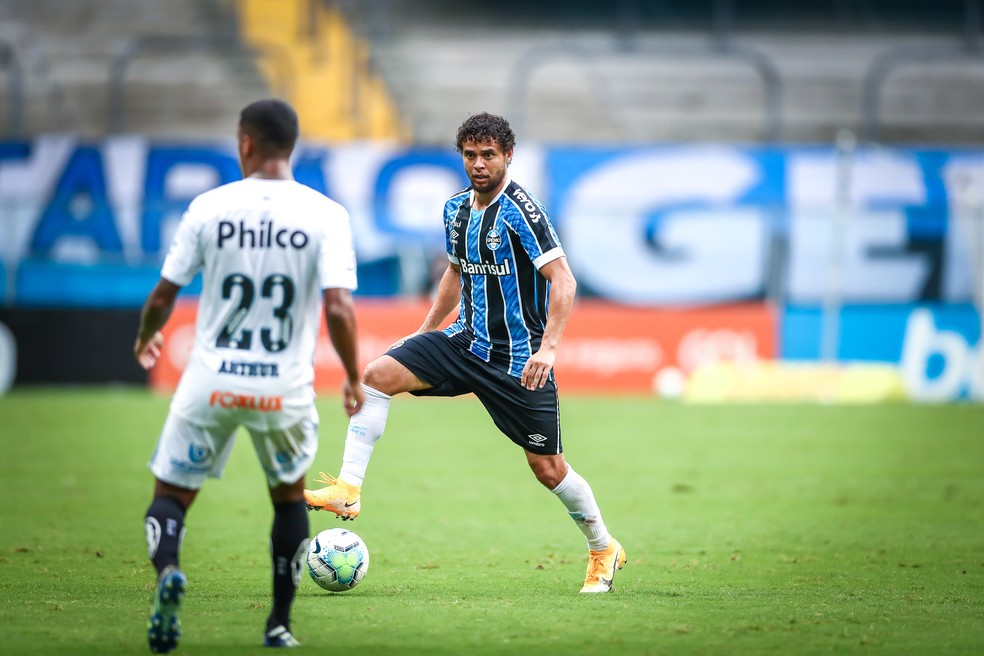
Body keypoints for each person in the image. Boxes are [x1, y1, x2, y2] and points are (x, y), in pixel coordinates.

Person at [304, 112, 625, 593]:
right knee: (376, 374)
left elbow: (564, 280)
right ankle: (348, 490)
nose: (478, 164)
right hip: (464, 342)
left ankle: (603, 548)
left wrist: (548, 349)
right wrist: (424, 332)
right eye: (471, 155)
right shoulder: (455, 208)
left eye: (488, 155)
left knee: (548, 468)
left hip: (518, 362)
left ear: (507, 156)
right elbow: (456, 273)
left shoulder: (522, 211)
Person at [133, 98, 363, 652]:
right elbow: (338, 308)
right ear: (293, 146)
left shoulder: (209, 207)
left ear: (245, 142)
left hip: (211, 378)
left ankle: (168, 573)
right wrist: (354, 376)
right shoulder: (326, 213)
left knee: (171, 493)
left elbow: (165, 292)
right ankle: (279, 624)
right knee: (287, 500)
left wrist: (146, 335)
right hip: (281, 388)